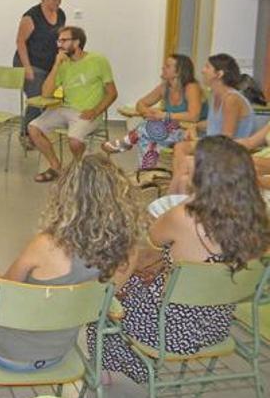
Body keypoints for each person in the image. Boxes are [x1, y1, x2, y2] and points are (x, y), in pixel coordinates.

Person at [92, 136, 270, 384]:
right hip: (216, 326)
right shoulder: (258, 219)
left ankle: (111, 369)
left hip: (164, 331)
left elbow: (147, 246)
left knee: (103, 293)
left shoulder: (184, 215)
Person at [0, 155, 142, 372]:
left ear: (66, 195)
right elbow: (104, 299)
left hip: (2, 351)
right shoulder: (129, 251)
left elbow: (3, 292)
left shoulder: (47, 245)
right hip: (57, 353)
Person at [28, 26, 117, 182]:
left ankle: (77, 169)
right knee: (33, 128)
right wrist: (56, 65)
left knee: (74, 141)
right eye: (58, 40)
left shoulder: (98, 60)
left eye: (64, 40)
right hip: (65, 109)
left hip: (88, 112)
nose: (59, 44)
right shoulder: (63, 64)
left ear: (77, 42)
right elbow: (46, 93)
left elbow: (112, 93)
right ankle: (55, 166)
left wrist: (96, 111)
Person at [168, 54, 256, 193]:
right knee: (180, 147)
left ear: (219, 74)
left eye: (207, 67)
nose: (203, 71)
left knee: (184, 164)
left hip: (231, 151)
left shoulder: (231, 99)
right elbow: (213, 122)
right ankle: (180, 194)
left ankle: (178, 196)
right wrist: (194, 126)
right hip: (214, 144)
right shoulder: (216, 95)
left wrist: (200, 141)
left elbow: (227, 137)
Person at [102, 54, 205, 169]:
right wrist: (150, 113)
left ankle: (128, 146)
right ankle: (147, 171)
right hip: (173, 129)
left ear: (178, 72)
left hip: (193, 132)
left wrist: (164, 115)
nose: (163, 68)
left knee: (147, 130)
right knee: (147, 135)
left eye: (167, 66)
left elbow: (194, 116)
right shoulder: (165, 87)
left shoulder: (191, 87)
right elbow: (140, 104)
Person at [14, 0, 66, 149]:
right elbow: (20, 42)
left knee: (48, 98)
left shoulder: (61, 14)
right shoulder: (31, 17)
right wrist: (27, 68)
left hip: (49, 63)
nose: (57, 3)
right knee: (37, 99)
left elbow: (61, 38)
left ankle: (35, 131)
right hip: (29, 62)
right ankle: (27, 134)